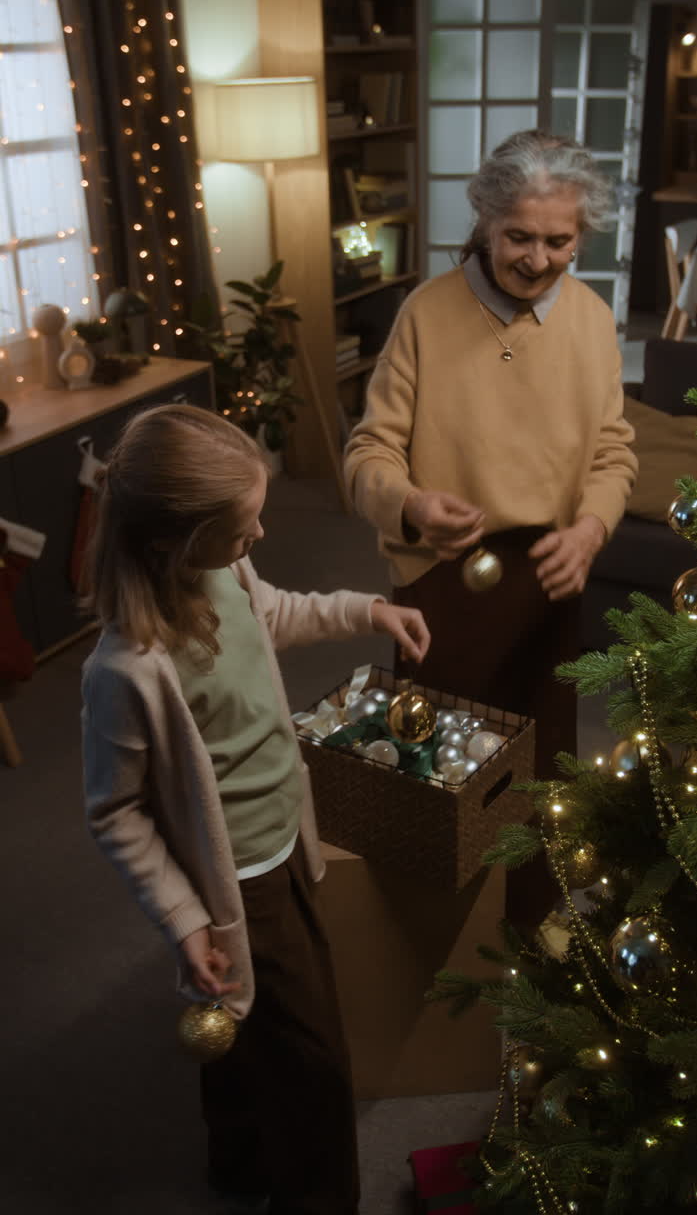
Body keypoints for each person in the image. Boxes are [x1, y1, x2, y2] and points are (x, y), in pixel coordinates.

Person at [80, 403, 429, 1215]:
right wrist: (187, 917)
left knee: (244, 1026)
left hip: (285, 840)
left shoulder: (224, 576)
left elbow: (277, 612)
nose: (261, 539)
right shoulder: (126, 671)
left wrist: (365, 610)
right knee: (315, 1062)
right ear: (170, 540)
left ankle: (236, 1159)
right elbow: (116, 814)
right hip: (240, 880)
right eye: (243, 529)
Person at [344, 130, 638, 920]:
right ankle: (434, 968)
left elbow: (613, 454)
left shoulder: (591, 319)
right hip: (442, 584)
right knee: (440, 786)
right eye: (518, 237)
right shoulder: (426, 314)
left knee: (541, 786)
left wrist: (590, 534)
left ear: (581, 234)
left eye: (559, 240)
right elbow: (368, 452)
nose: (538, 258)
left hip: (550, 579)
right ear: (484, 219)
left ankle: (533, 949)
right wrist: (409, 503)